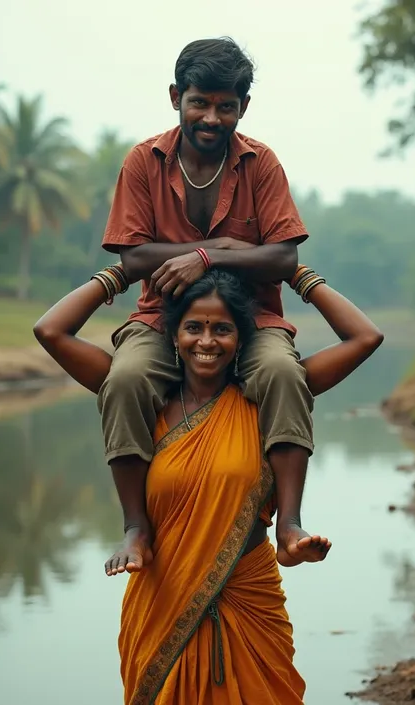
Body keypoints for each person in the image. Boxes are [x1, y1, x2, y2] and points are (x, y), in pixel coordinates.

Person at [34, 262, 383, 704]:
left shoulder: (266, 398)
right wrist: (123, 272)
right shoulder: (144, 400)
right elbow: (50, 331)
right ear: (173, 335)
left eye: (222, 329)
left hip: (247, 598)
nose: (206, 341)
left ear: (241, 340)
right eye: (193, 327)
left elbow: (366, 337)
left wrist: (295, 274)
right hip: (162, 596)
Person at [99, 37, 319, 569]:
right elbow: (133, 257)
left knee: (283, 375)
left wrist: (206, 257)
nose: (212, 117)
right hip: (161, 317)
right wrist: (222, 248)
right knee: (126, 378)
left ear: (243, 107)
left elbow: (284, 259)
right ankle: (134, 526)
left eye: (226, 105)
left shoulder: (261, 163)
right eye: (200, 101)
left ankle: (288, 523)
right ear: (177, 96)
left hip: (253, 319)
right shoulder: (143, 160)